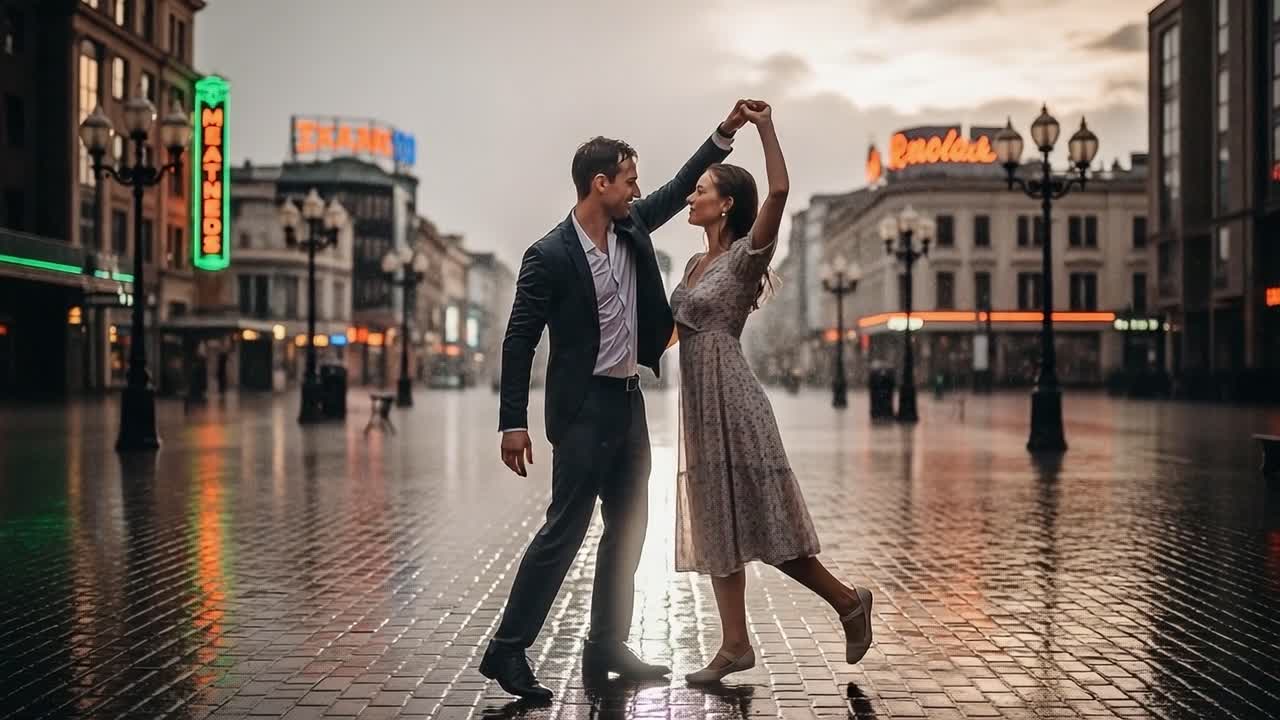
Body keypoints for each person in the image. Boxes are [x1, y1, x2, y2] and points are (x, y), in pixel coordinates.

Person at [481, 101, 751, 701]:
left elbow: (682, 185)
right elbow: (519, 340)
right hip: (581, 412)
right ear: (599, 184)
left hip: (628, 405)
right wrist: (512, 423)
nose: (637, 190)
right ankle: (507, 650)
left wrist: (726, 131)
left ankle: (607, 643)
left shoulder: (631, 227)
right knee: (564, 531)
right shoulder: (547, 255)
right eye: (628, 179)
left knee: (628, 530)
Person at [669, 100, 874, 684]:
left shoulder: (743, 255)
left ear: (725, 202)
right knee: (716, 520)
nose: (690, 197)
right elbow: (664, 334)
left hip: (735, 401)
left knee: (765, 520)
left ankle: (848, 601)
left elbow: (779, 192)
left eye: (699, 189)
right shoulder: (689, 266)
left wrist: (763, 128)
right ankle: (735, 645)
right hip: (699, 406)